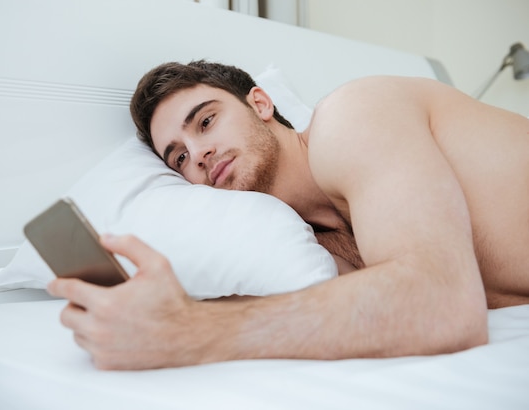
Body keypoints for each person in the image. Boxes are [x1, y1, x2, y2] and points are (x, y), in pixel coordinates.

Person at [47, 60, 529, 370]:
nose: (198, 154)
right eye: (177, 158)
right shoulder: (318, 246)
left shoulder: (350, 117)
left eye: (207, 120)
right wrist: (155, 310)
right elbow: (359, 307)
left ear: (260, 103)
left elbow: (443, 304)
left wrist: (188, 330)